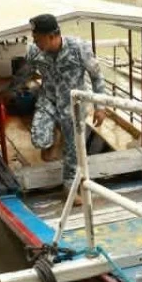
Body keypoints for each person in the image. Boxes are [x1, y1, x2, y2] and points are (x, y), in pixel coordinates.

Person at [22, 14, 107, 200]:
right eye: (34, 39)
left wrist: (100, 107)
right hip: (49, 100)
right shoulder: (34, 52)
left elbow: (97, 77)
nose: (35, 43)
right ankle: (55, 135)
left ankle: (69, 188)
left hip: (73, 105)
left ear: (52, 36)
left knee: (73, 149)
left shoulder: (79, 48)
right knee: (39, 140)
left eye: (38, 39)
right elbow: (24, 73)